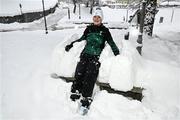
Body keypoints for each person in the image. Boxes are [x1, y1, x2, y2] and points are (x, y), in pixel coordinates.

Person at [65, 8, 120, 110]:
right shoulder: (88, 29)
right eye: (95, 17)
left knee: (90, 73)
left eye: (98, 17)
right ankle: (76, 90)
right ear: (92, 18)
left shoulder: (105, 30)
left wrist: (117, 53)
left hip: (96, 55)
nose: (96, 19)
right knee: (79, 70)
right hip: (85, 53)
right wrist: (71, 44)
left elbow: (111, 42)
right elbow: (82, 39)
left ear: (101, 19)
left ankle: (86, 96)